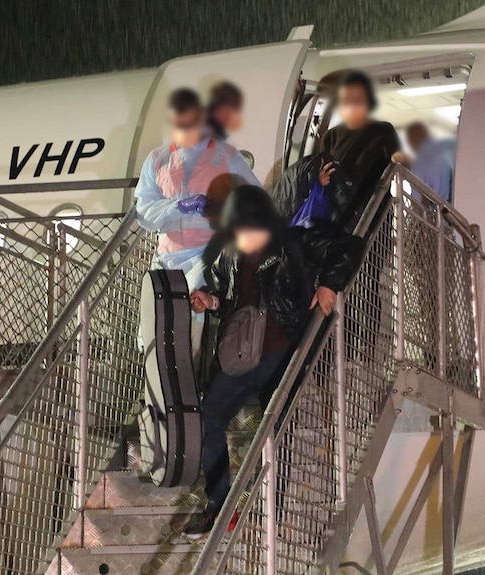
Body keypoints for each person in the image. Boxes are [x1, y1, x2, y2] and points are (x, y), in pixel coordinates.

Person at [182, 185, 363, 537]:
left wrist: (328, 283)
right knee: (209, 417)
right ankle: (218, 506)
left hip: (282, 352)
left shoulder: (293, 243)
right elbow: (225, 295)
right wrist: (210, 300)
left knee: (275, 431)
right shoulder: (229, 255)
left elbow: (349, 247)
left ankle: (270, 511)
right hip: (241, 355)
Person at [134, 87, 259, 290]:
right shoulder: (157, 159)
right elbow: (143, 212)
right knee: (162, 316)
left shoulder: (227, 156)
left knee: (195, 314)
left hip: (210, 257)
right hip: (167, 259)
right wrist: (178, 206)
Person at [320, 71, 401, 223]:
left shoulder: (383, 130)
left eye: (358, 99)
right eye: (346, 100)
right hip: (340, 214)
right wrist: (321, 179)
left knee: (372, 246)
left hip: (374, 214)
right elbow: (322, 172)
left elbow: (401, 160)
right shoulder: (331, 136)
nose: (352, 104)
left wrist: (399, 157)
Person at [405, 121, 455, 203]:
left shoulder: (419, 162)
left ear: (412, 140)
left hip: (434, 207)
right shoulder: (444, 149)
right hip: (451, 203)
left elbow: (419, 196)